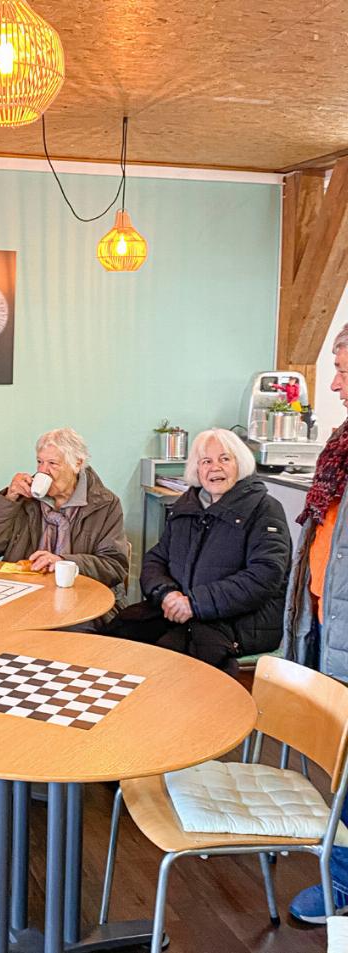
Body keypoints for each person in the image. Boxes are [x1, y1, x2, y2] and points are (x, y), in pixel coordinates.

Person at [107, 428, 291, 675]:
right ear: (197, 469)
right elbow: (155, 559)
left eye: (224, 459)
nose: (215, 467)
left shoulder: (265, 509)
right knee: (117, 637)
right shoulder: (187, 506)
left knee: (165, 666)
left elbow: (264, 576)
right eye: (206, 461)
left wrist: (195, 603)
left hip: (236, 622)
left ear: (241, 463)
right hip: (179, 612)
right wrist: (167, 595)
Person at [283, 323, 348, 923]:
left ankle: (344, 888)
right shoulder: (342, 445)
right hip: (328, 620)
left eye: (344, 372)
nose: (333, 384)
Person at [0, 428, 130, 629]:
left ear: (77, 464)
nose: (43, 471)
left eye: (52, 464)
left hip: (81, 602)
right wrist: (9, 499)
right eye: (40, 462)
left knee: (67, 635)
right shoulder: (27, 497)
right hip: (23, 595)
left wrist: (63, 562)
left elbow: (114, 565)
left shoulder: (104, 504)